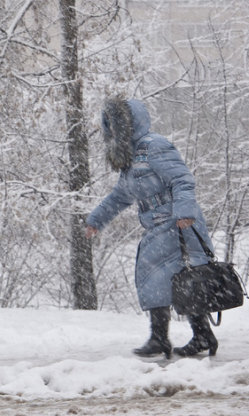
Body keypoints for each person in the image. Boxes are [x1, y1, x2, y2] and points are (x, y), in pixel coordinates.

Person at [86, 97, 217, 358]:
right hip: (156, 226)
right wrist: (95, 220)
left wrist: (184, 212)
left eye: (117, 123)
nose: (112, 129)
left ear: (130, 123)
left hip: (178, 223)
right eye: (108, 124)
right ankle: (189, 336)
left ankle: (175, 337)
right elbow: (120, 196)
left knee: (182, 280)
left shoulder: (154, 146)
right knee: (162, 280)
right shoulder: (129, 158)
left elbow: (182, 179)